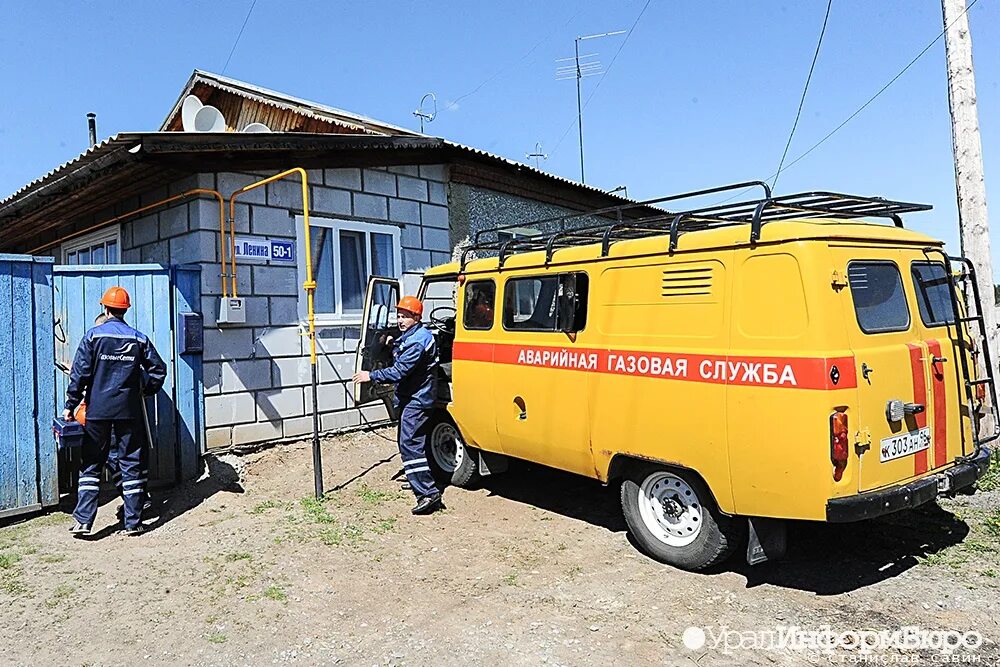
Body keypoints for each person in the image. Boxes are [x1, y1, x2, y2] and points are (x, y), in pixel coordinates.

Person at [62, 286, 166, 536]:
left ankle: (84, 521)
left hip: (97, 411)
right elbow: (158, 371)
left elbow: (80, 374)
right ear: (124, 310)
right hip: (129, 412)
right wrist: (143, 389)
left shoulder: (93, 337)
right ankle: (134, 522)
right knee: (131, 462)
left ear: (105, 308)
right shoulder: (139, 338)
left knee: (91, 464)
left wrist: (70, 404)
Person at [353, 296, 444, 515]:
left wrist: (370, 375)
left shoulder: (416, 342)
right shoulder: (412, 336)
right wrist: (391, 343)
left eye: (405, 316)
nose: (400, 320)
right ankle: (417, 479)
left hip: (417, 399)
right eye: (398, 315)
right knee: (410, 442)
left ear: (416, 317)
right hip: (412, 397)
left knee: (410, 443)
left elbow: (399, 371)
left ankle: (428, 494)